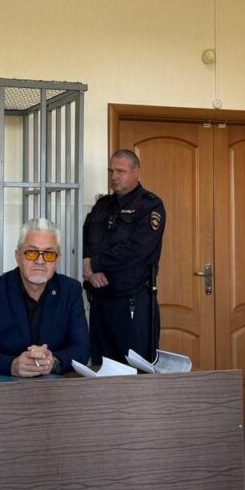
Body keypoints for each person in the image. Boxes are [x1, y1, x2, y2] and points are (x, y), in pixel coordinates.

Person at [0, 217, 89, 377]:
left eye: (49, 254)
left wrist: (53, 362)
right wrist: (11, 365)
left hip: (54, 387)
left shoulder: (70, 290)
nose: (40, 261)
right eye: (32, 252)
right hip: (2, 388)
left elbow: (82, 348)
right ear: (18, 256)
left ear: (57, 259)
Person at [82, 149, 165, 364]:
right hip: (100, 301)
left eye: (121, 171)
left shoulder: (150, 206)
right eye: (111, 171)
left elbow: (136, 250)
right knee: (102, 367)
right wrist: (89, 266)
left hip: (132, 303)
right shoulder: (102, 205)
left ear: (136, 172)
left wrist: (95, 263)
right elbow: (86, 237)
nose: (114, 176)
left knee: (135, 369)